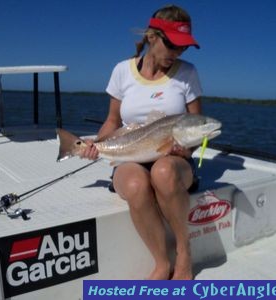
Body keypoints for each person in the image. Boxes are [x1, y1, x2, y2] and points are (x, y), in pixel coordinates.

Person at [81, 4, 202, 280]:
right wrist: (95, 145)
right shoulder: (122, 71)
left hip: (173, 158)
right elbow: (113, 121)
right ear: (152, 37)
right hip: (131, 154)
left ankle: (184, 253)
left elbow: (197, 125)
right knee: (136, 184)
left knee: (163, 172)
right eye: (172, 45)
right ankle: (162, 263)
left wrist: (188, 149)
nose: (177, 53)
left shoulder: (188, 74)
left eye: (183, 48)